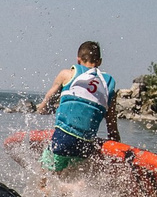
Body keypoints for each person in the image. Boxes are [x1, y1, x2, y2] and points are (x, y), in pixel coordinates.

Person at [34, 42, 121, 182]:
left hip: (64, 137)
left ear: (78, 60)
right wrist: (116, 145)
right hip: (86, 143)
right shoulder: (109, 86)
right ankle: (73, 190)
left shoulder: (67, 74)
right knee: (70, 176)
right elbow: (111, 123)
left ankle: (50, 191)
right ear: (99, 62)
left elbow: (46, 102)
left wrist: (42, 108)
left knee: (43, 174)